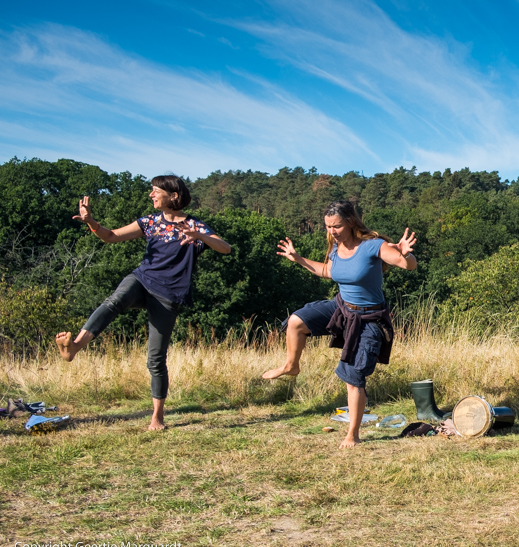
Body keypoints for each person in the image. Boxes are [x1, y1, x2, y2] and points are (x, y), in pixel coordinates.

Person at [55, 175, 231, 430]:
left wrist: (200, 236)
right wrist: (91, 222)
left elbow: (225, 248)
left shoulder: (194, 225)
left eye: (155, 191)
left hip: (168, 294)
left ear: (173, 196)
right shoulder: (149, 222)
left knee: (155, 359)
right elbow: (110, 236)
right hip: (141, 280)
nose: (151, 195)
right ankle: (74, 347)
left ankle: (157, 417)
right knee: (115, 300)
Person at [263, 200, 417, 449]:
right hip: (342, 307)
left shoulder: (373, 246)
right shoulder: (336, 247)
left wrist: (405, 253)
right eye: (328, 226)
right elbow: (328, 271)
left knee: (353, 377)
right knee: (296, 322)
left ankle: (352, 434)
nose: (332, 231)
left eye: (336, 226)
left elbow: (408, 265)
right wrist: (298, 258)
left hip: (369, 318)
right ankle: (291, 366)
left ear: (350, 222)